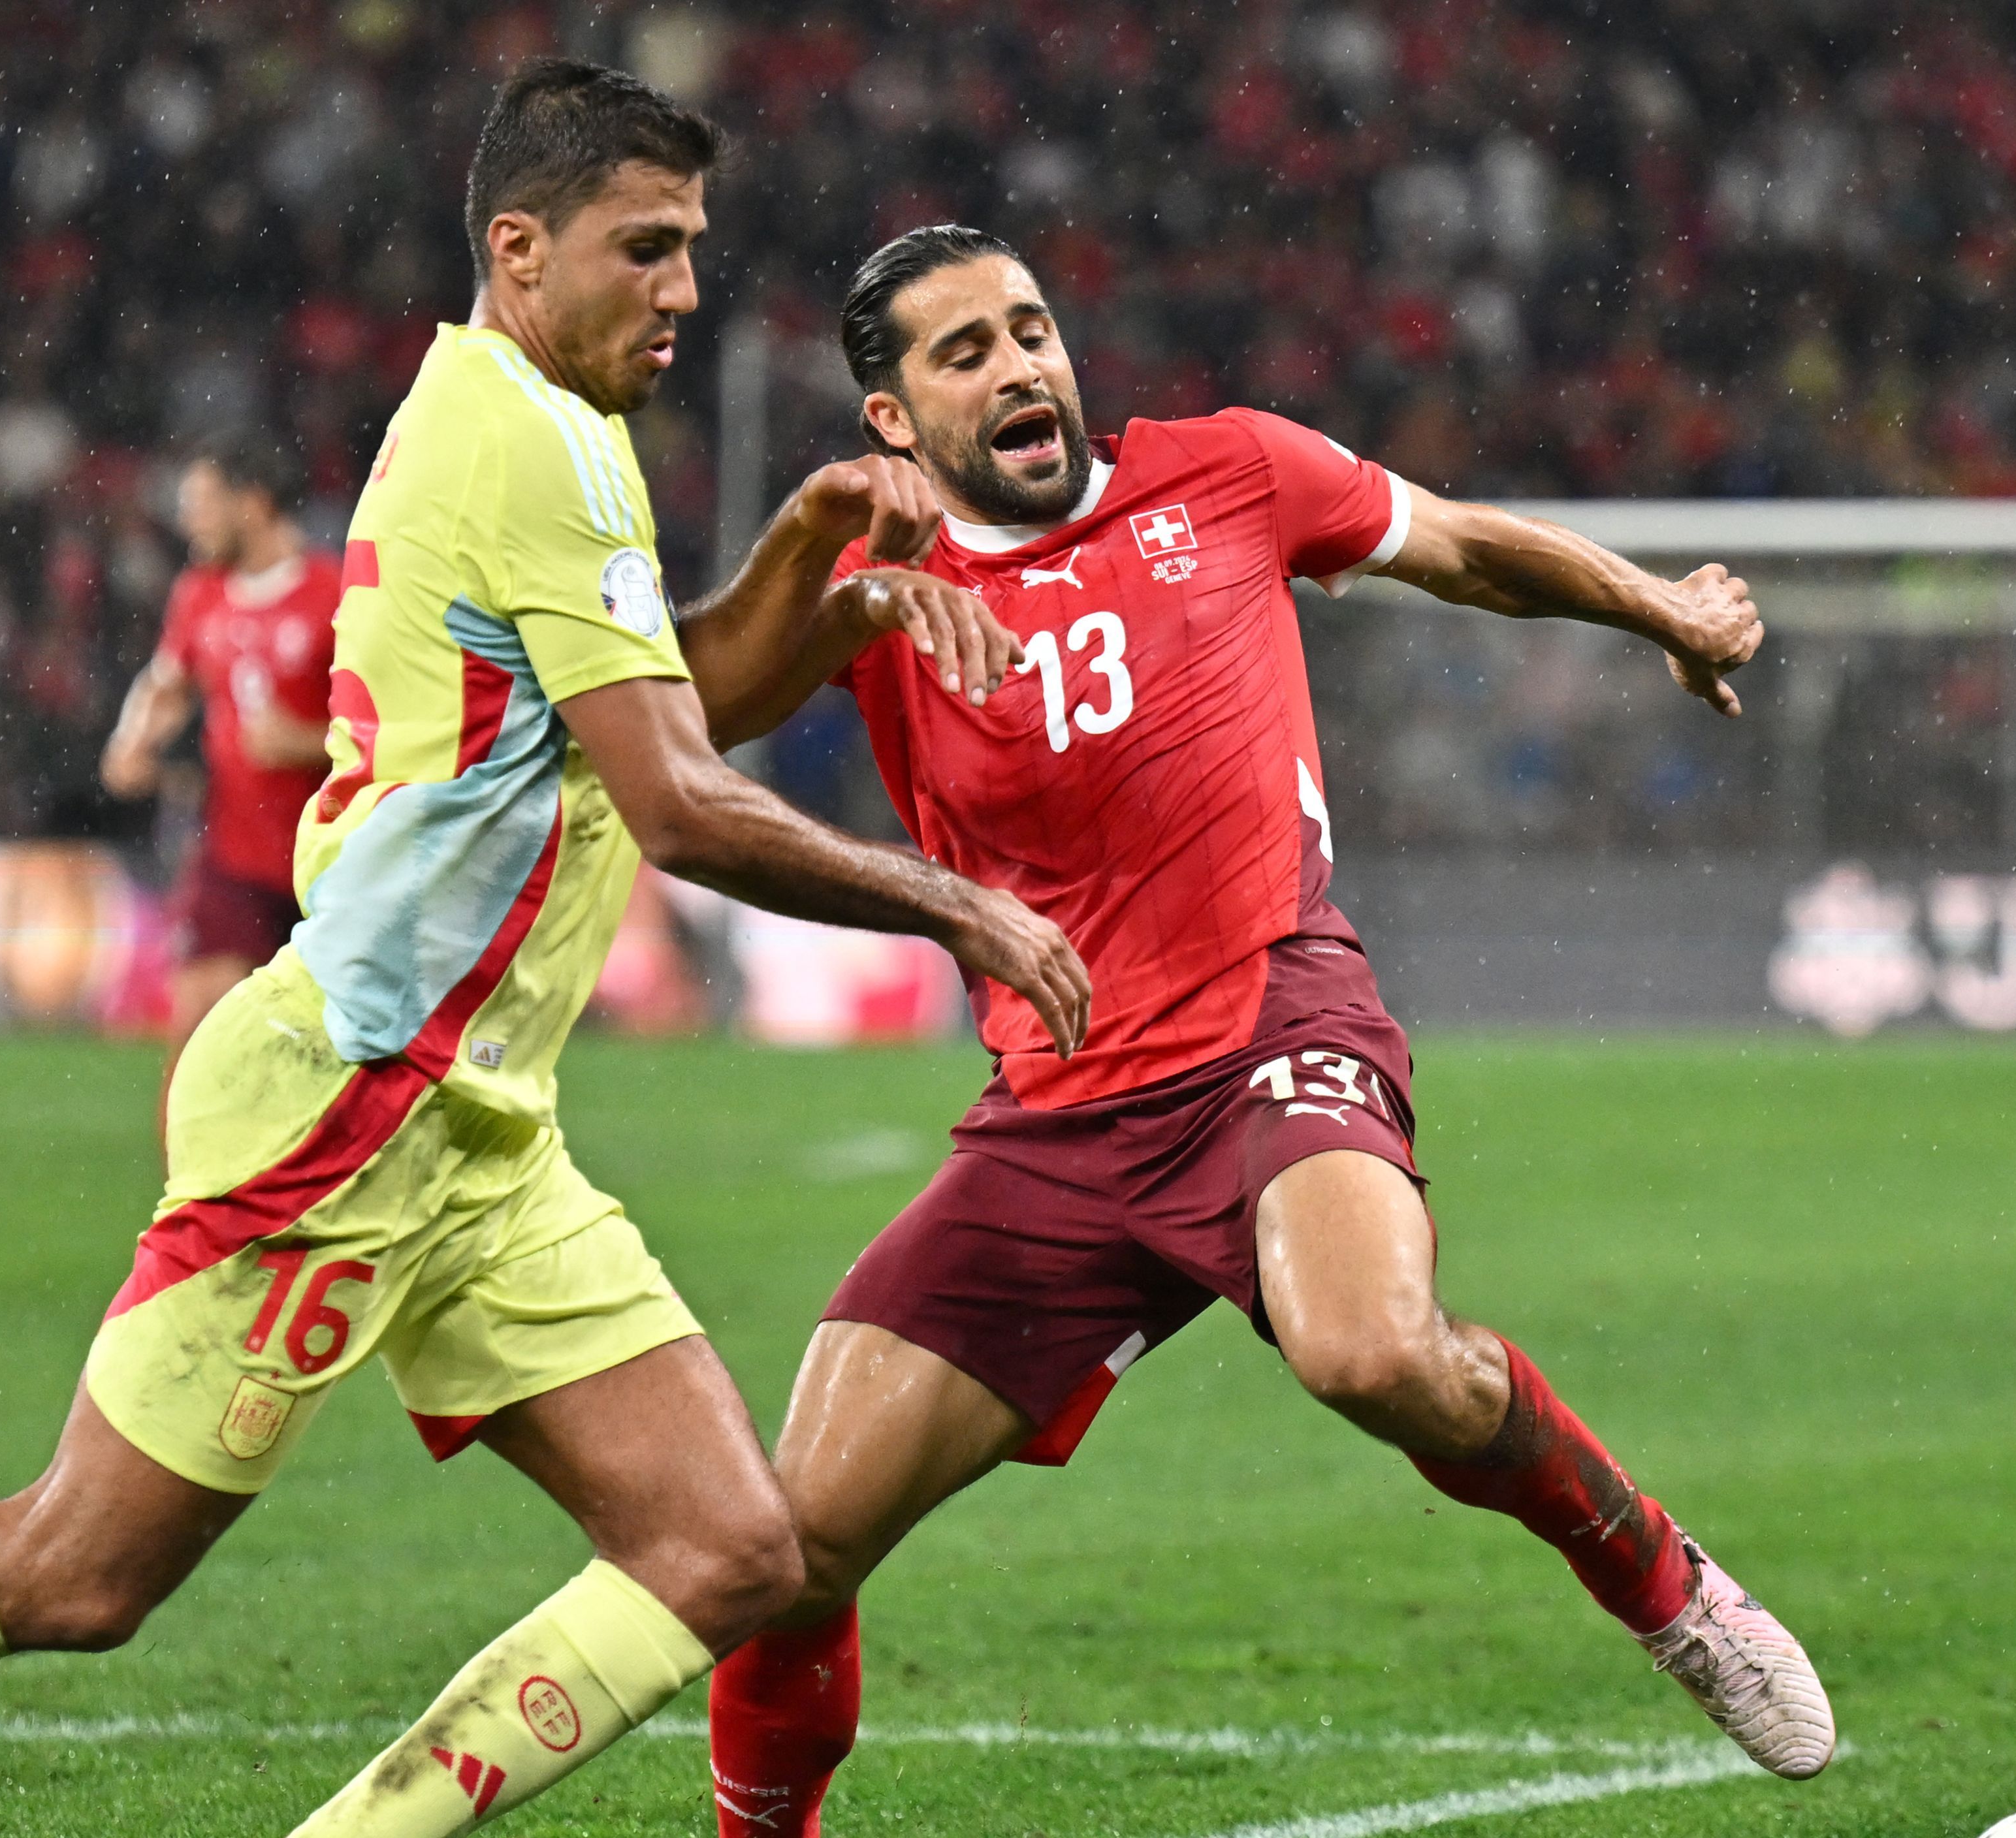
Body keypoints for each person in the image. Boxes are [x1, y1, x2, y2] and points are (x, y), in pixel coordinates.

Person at [0, 64, 1080, 1838]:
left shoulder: (555, 414)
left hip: (478, 1127)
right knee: (81, 1567)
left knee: (729, 1546)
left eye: (694, 248)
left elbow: (664, 709)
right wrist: (958, 899)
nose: (686, 288)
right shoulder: (530, 438)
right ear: (518, 249)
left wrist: (804, 552)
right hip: (345, 1103)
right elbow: (678, 802)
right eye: (648, 248)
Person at [699, 225, 1835, 1837]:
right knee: (782, 1550)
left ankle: (1652, 1575)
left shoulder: (1227, 473)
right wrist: (825, 570)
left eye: (1029, 330)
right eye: (962, 353)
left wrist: (1652, 606)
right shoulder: (866, 582)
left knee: (1366, 1348)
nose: (1021, 366)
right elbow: (693, 712)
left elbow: (1455, 545)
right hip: (1053, 1115)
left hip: (1267, 1024)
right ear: (887, 418)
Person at [99, 433, 337, 1049]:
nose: (188, 519)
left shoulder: (336, 597)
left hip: (333, 868)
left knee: (316, 1061)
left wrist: (308, 741)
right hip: (234, 858)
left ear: (252, 504)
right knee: (201, 1029)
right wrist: (133, 740)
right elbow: (167, 684)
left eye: (203, 502)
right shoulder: (199, 594)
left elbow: (396, 726)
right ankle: (188, 1148)